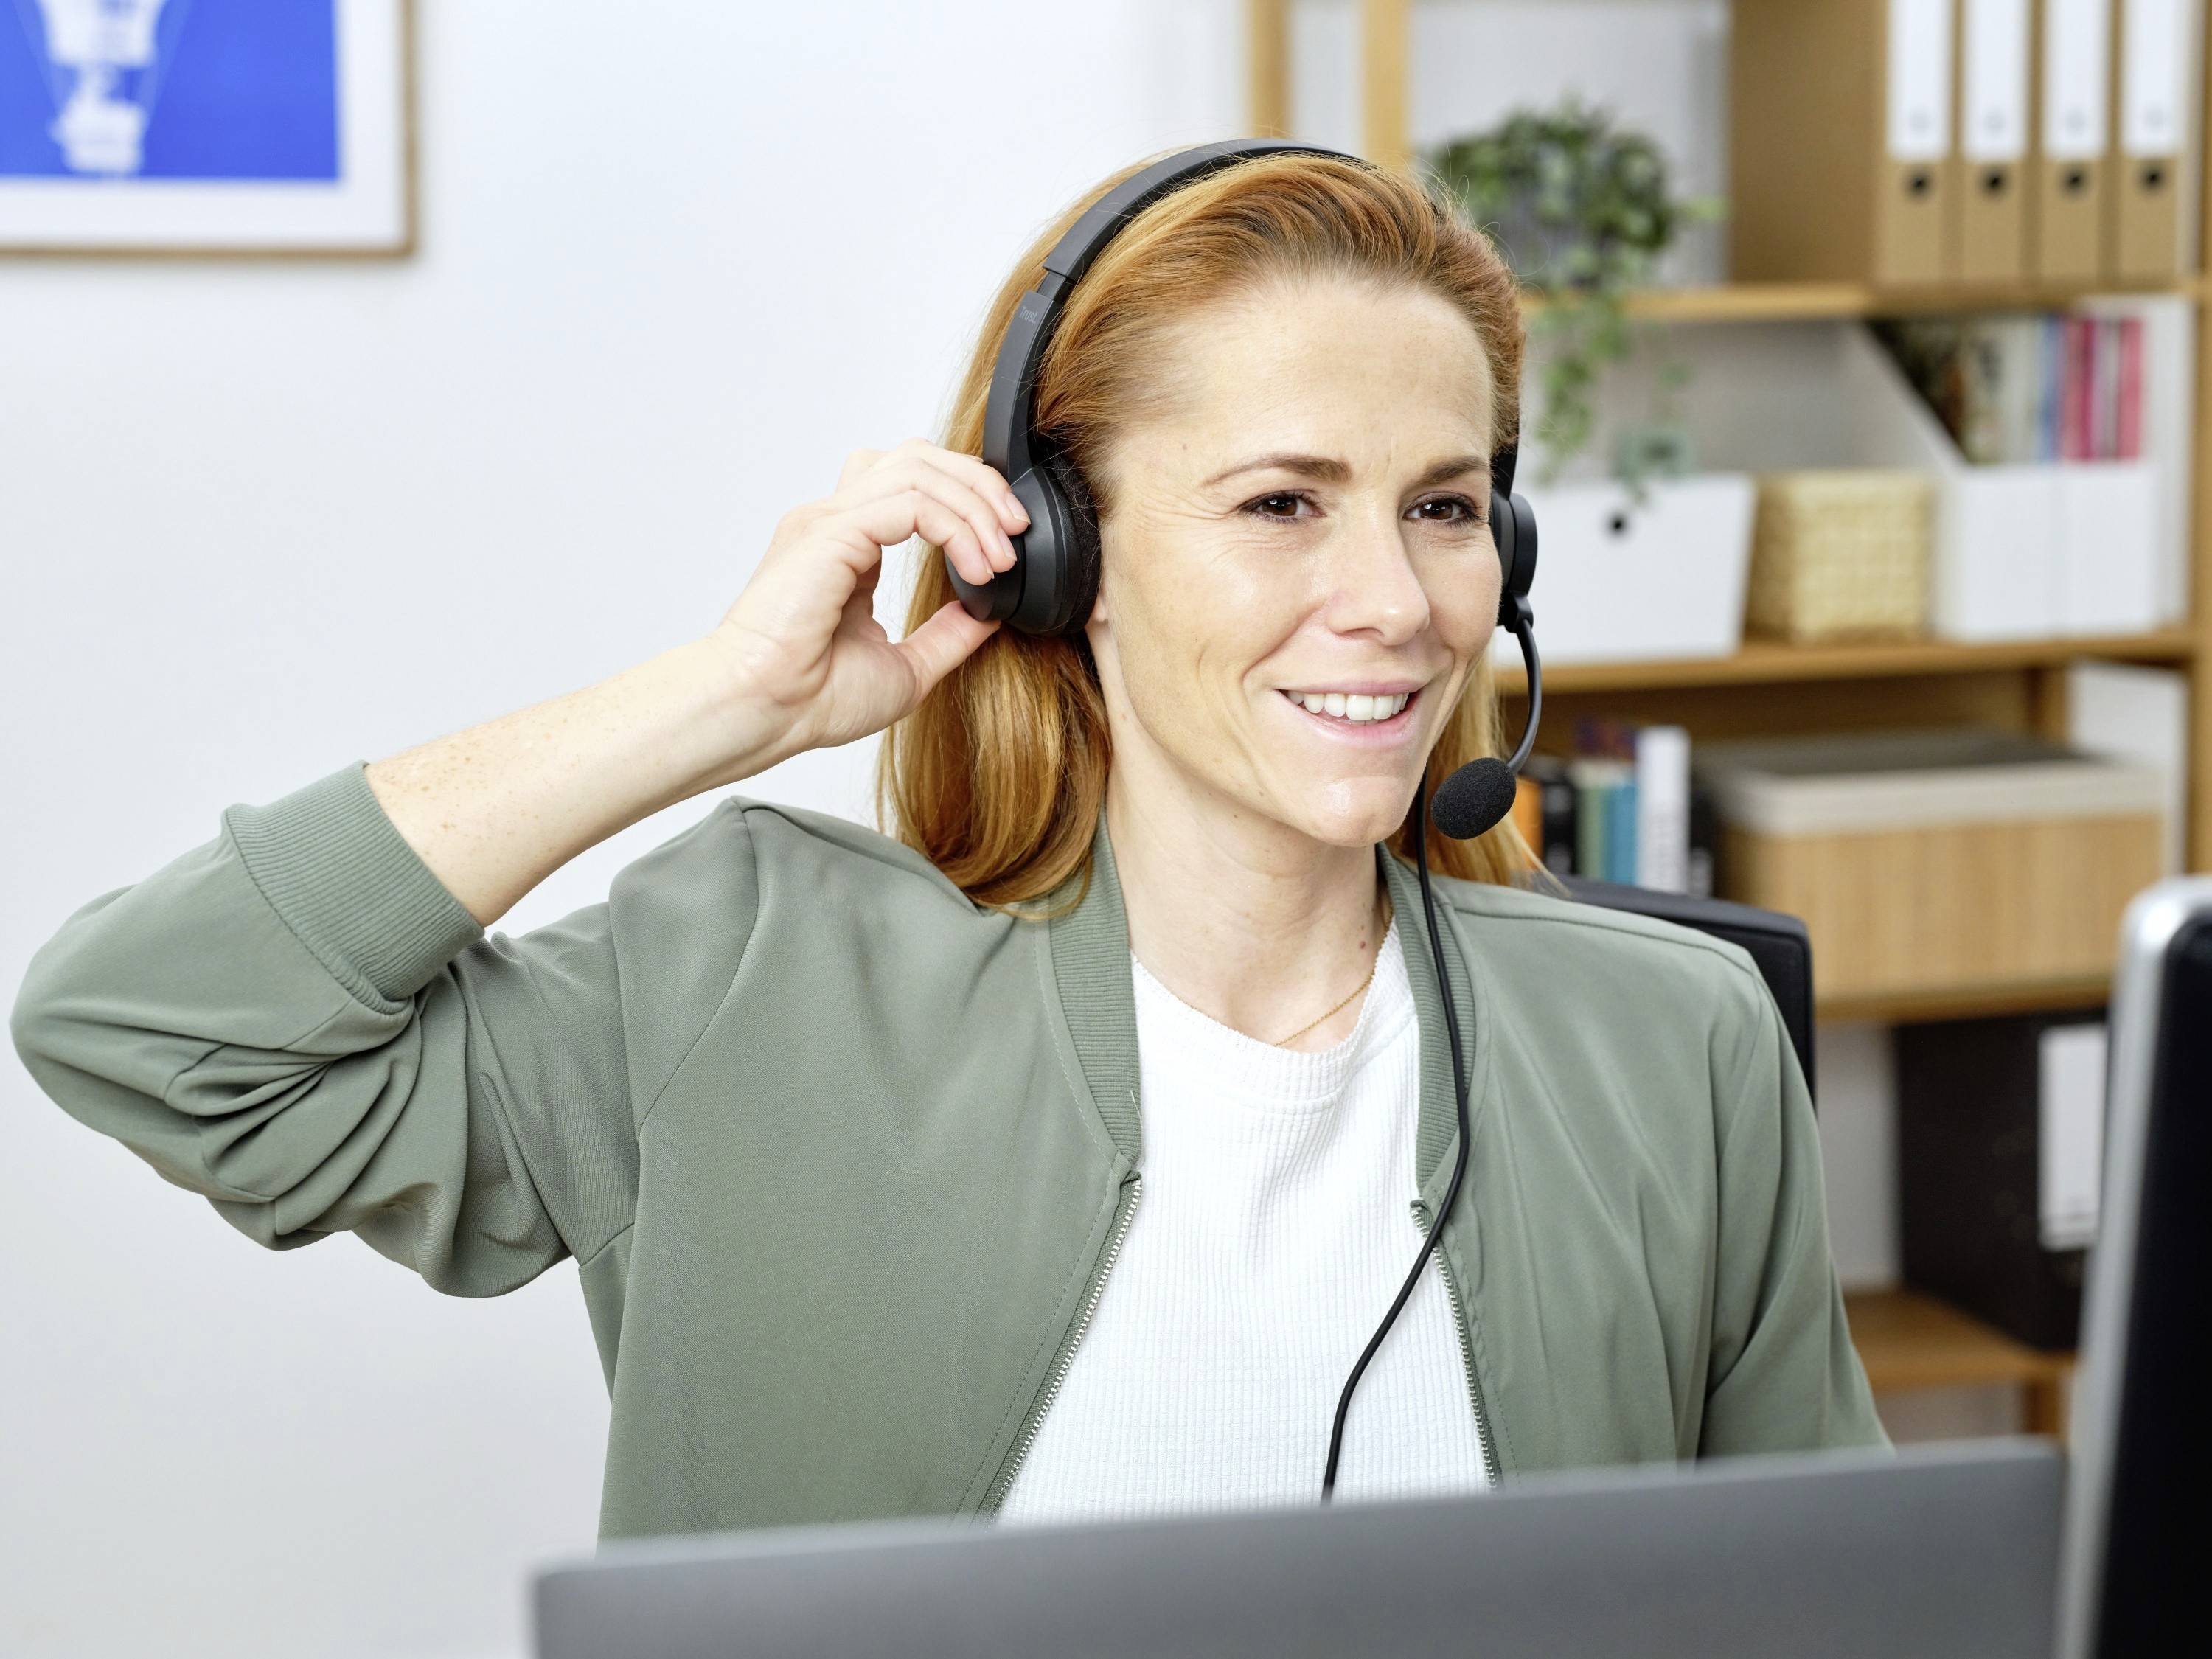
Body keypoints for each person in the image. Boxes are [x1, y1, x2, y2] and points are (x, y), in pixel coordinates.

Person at [10, 146, 1885, 1543]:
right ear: (1057, 551)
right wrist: (723, 700)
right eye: (1282, 503)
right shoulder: (751, 976)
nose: (1392, 600)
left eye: (1448, 506)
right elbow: (155, 1025)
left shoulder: (1677, 1044)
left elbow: (1836, 1611)